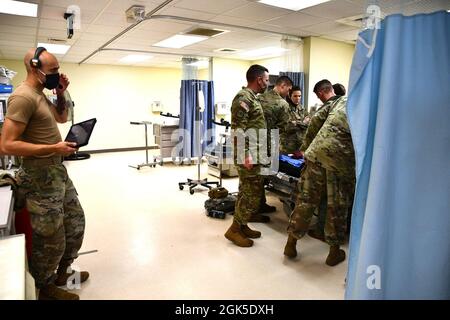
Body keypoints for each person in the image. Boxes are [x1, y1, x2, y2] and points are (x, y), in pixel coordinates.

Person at [0, 47, 88, 299]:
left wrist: (59, 93)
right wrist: (54, 147)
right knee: (50, 235)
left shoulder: (41, 94)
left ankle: (63, 272)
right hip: (39, 177)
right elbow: (6, 144)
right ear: (35, 68)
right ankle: (46, 285)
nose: (57, 74)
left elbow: (61, 118)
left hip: (57, 172)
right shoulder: (23, 97)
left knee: (75, 224)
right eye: (53, 71)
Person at [284, 79, 355, 266]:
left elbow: (315, 121)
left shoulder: (340, 102)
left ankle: (291, 243)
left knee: (305, 201)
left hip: (316, 155)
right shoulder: (366, 106)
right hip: (339, 161)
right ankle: (333, 252)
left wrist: (308, 151)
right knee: (336, 206)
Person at [224, 64, 269, 247]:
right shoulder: (243, 98)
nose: (268, 83)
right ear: (258, 79)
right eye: (266, 79)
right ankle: (234, 230)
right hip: (248, 155)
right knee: (252, 194)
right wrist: (245, 155)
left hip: (255, 153)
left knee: (246, 192)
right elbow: (237, 130)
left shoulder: (253, 98)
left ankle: (242, 225)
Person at [284, 86, 310, 155]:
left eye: (299, 96)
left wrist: (297, 123)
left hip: (300, 145)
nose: (298, 98)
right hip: (288, 146)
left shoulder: (302, 108)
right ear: (290, 96)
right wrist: (303, 123)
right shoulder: (285, 108)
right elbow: (287, 127)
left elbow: (309, 123)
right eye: (295, 96)